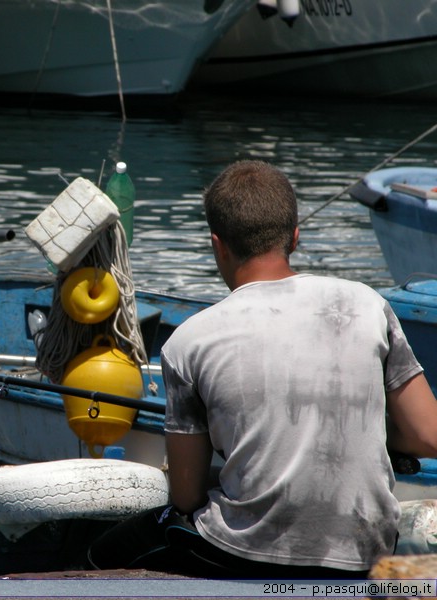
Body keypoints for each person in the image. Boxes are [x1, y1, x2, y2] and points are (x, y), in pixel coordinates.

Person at [88, 160, 437, 578]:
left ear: (218, 244)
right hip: (367, 553)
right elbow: (428, 436)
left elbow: (185, 494)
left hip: (244, 553)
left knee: (106, 552)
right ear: (295, 236)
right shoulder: (368, 305)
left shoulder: (189, 340)